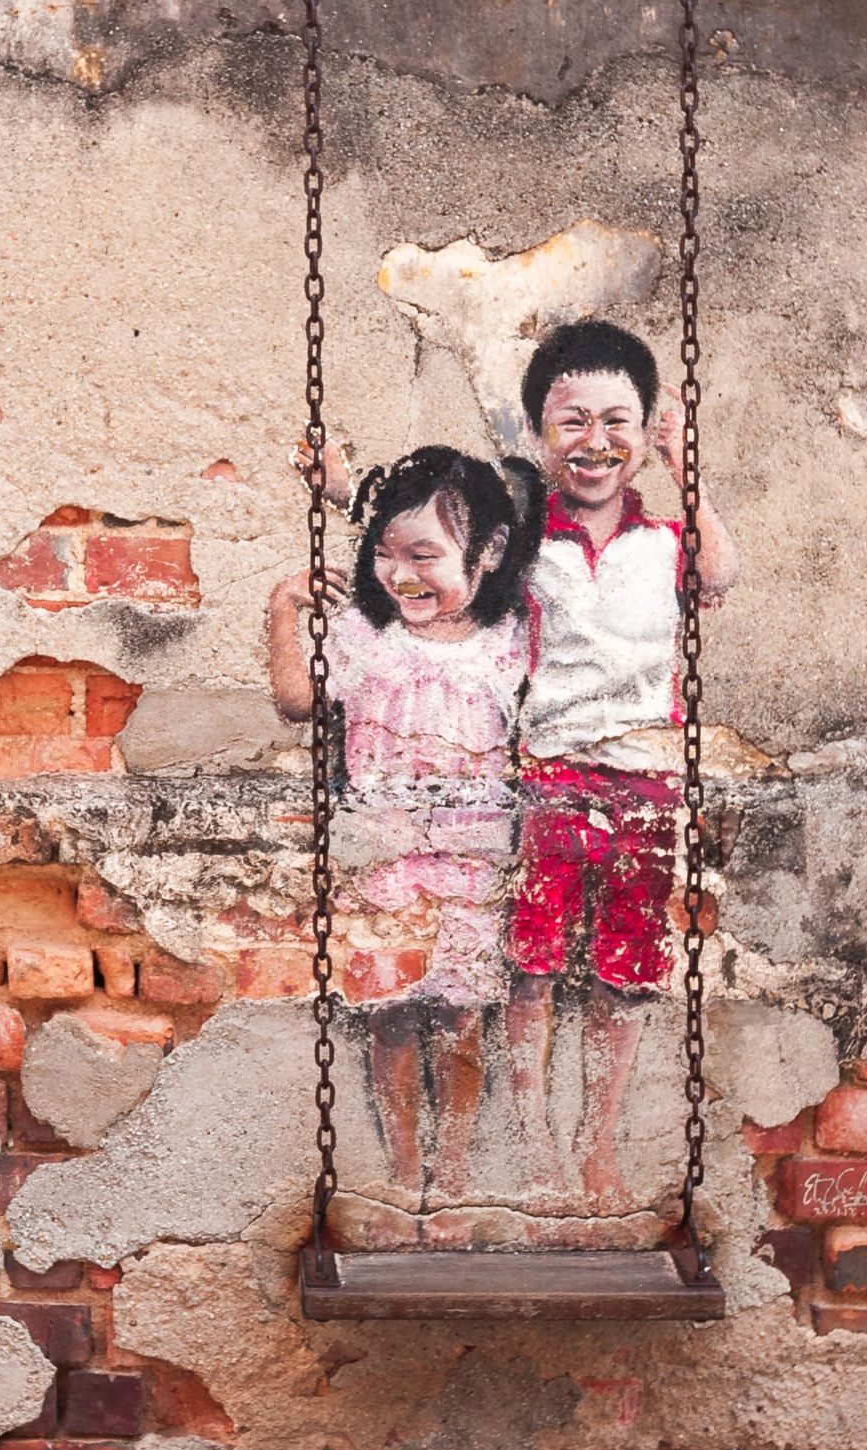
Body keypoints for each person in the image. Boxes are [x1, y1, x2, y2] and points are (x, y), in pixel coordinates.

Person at [264, 443, 543, 1219]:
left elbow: (535, 532)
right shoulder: (364, 634)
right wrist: (284, 606)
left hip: (472, 859)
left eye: (424, 554)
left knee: (458, 1019)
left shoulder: (508, 640)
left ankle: (451, 1171)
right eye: (385, 554)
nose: (402, 573)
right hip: (383, 857)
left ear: (485, 555)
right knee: (388, 1017)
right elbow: (294, 698)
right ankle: (403, 1165)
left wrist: (354, 489)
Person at [498, 318, 739, 1206]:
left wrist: (687, 468)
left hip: (646, 780)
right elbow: (427, 547)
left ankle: (597, 1141)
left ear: (645, 433)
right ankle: (532, 1143)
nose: (594, 442)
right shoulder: (523, 547)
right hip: (549, 776)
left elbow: (721, 574)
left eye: (617, 422)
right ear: (537, 434)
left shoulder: (667, 544)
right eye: (572, 421)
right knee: (534, 963)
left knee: (626, 971)